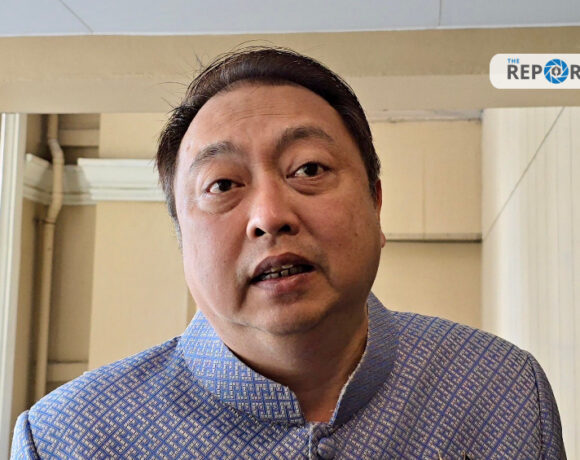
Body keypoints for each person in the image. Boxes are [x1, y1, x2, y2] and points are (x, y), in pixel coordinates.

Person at [12, 47, 565, 459]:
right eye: (222, 185)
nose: (269, 215)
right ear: (181, 237)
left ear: (375, 203)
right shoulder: (69, 439)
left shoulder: (502, 388)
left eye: (309, 169)